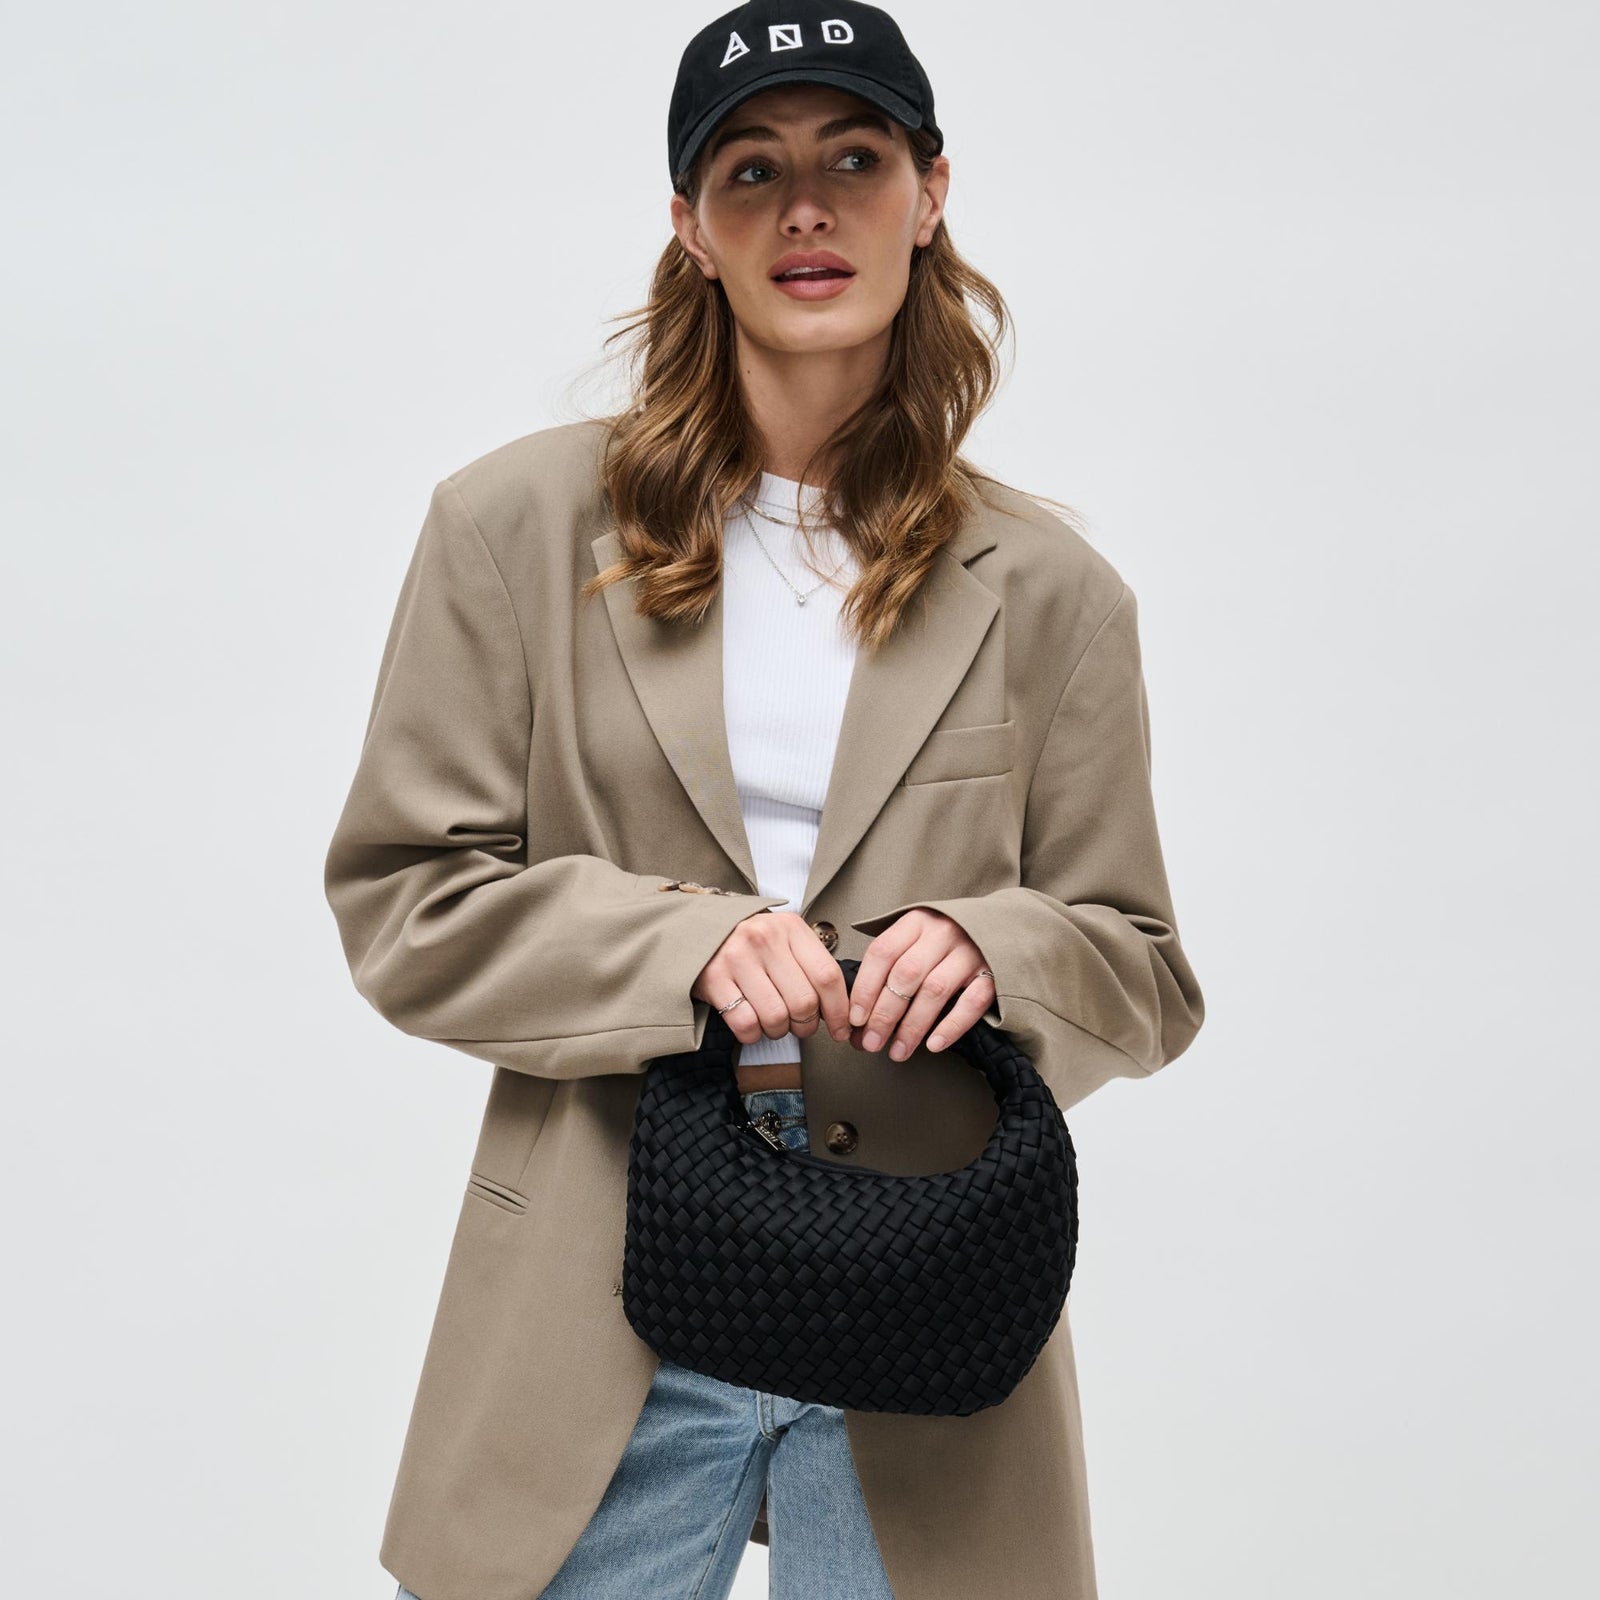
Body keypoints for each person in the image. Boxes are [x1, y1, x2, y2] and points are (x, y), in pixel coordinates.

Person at [323, 2, 1206, 1596]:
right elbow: (407, 901)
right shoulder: (513, 529)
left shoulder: (1054, 593)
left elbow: (1143, 967)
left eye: (854, 159)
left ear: (930, 195)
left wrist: (997, 947)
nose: (806, 209)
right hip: (597, 1298)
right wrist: (690, 946)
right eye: (752, 170)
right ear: (689, 225)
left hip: (924, 1307)